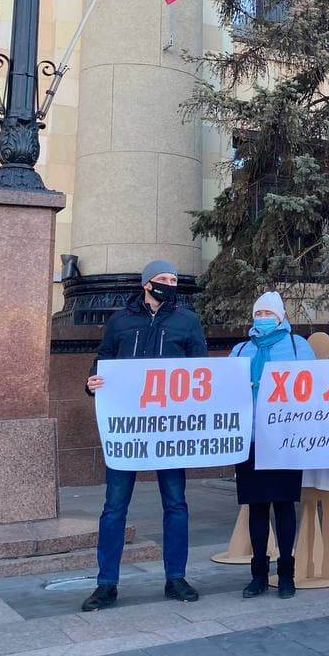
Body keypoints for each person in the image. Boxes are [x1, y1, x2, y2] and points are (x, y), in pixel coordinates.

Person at [81, 260, 208, 612]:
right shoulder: (121, 320)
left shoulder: (188, 321)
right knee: (114, 508)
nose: (171, 283)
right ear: (147, 284)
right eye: (164, 278)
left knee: (176, 504)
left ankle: (176, 578)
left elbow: (200, 369)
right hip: (129, 431)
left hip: (170, 429)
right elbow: (104, 358)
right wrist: (92, 382)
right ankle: (106, 584)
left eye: (174, 278)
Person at [228, 291, 314, 598]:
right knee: (257, 507)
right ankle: (258, 573)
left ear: (280, 317)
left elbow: (313, 386)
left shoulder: (297, 347)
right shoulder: (240, 350)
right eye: (258, 314)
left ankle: (286, 572)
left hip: (284, 439)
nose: (262, 318)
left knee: (284, 505)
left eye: (268, 314)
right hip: (249, 441)